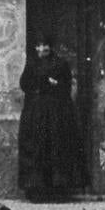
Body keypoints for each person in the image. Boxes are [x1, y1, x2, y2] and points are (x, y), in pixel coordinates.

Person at [18, 37, 87, 199]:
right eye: (39, 46)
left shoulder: (60, 64)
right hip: (36, 114)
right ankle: (36, 190)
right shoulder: (32, 64)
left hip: (57, 113)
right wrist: (41, 81)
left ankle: (59, 189)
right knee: (36, 149)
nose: (42, 49)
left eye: (45, 45)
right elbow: (24, 84)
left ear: (50, 47)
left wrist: (55, 84)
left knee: (57, 148)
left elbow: (66, 84)